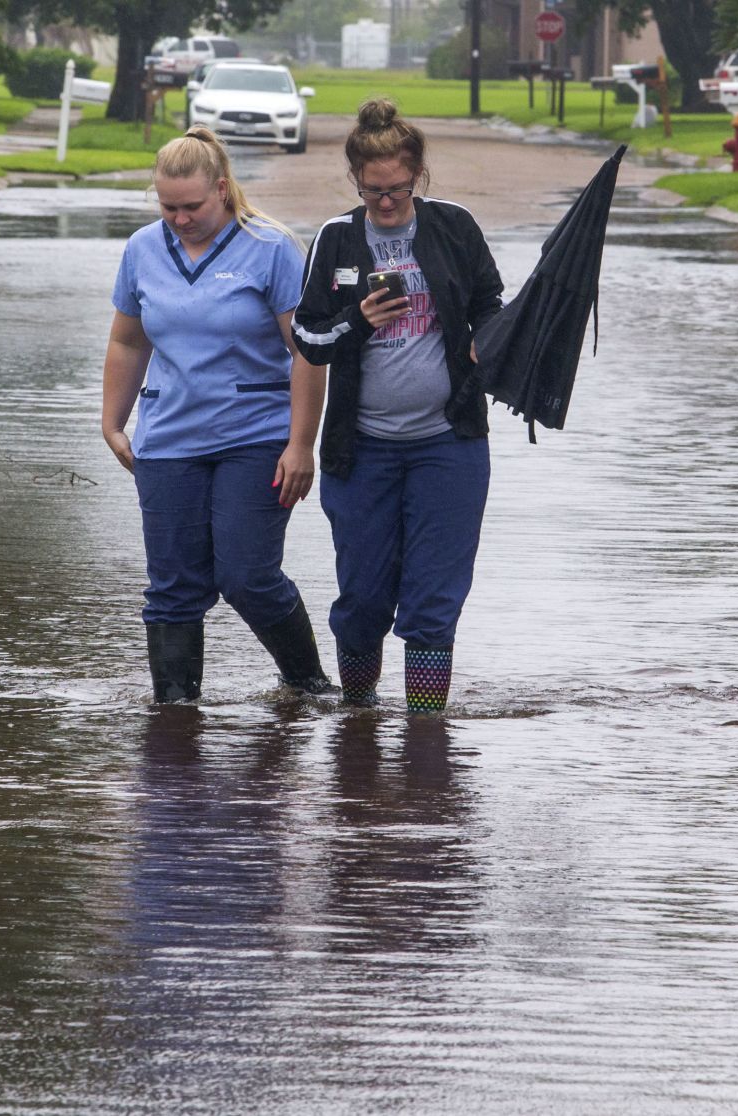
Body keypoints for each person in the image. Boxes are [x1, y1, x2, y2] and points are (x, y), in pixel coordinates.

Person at [102, 125, 332, 704]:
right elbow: (128, 342)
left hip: (254, 437)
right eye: (167, 206)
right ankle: (176, 716)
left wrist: (301, 444)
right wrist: (112, 422)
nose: (179, 218)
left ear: (224, 190)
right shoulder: (141, 250)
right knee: (174, 587)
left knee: (246, 574)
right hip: (168, 438)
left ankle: (307, 685)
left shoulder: (272, 247)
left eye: (192, 206)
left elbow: (306, 349)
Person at [290, 99, 504, 713]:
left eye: (399, 190)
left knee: (434, 600)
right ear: (356, 181)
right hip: (362, 452)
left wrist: (479, 341)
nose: (386, 203)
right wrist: (357, 320)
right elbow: (308, 339)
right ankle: (358, 720)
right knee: (361, 602)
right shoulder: (335, 239)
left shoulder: (454, 227)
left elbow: (492, 305)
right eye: (373, 191)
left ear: (419, 178)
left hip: (450, 444)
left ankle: (424, 733)